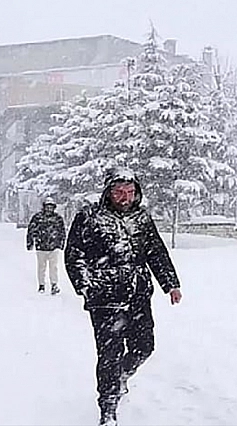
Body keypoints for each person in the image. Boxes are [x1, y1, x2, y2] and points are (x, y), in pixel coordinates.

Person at [64, 168, 182, 426]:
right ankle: (108, 408)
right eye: (119, 192)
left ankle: (121, 377)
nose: (125, 197)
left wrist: (170, 284)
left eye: (129, 192)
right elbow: (74, 255)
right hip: (105, 299)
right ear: (108, 192)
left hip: (138, 297)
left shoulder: (142, 219)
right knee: (109, 355)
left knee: (144, 347)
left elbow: (157, 252)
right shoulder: (89, 217)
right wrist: (86, 285)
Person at [26, 197, 65, 295]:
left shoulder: (58, 218)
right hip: (41, 247)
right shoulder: (37, 218)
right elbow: (31, 230)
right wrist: (30, 243)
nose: (49, 209)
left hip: (54, 246)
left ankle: (54, 285)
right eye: (47, 207)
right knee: (41, 267)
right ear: (44, 207)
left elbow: (62, 232)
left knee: (54, 267)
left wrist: (61, 244)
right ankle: (41, 285)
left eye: (51, 207)